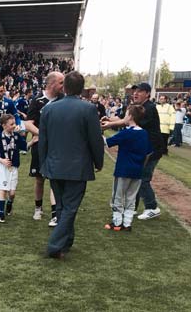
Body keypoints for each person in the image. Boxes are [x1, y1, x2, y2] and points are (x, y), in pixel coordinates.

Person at [39, 71, 104, 259]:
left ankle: (65, 242)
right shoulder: (88, 109)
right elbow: (95, 140)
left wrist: (44, 164)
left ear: (65, 87)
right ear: (82, 89)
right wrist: (98, 161)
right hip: (77, 167)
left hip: (54, 165)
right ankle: (54, 245)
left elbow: (43, 140)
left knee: (61, 206)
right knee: (69, 208)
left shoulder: (49, 109)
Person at [102, 82, 164, 220]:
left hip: (151, 149)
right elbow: (125, 119)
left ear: (147, 94)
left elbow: (127, 121)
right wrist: (109, 119)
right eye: (134, 91)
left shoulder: (149, 107)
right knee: (137, 176)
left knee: (143, 178)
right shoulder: (138, 107)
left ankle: (152, 207)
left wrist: (110, 124)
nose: (135, 93)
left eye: (140, 91)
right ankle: (133, 207)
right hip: (143, 149)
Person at [103, 105, 153, 231]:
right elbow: (148, 153)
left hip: (123, 170)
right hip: (137, 171)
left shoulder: (126, 133)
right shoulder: (144, 133)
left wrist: (97, 132)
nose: (124, 117)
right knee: (131, 198)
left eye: (125, 114)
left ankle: (117, 222)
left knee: (117, 197)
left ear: (130, 116)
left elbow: (107, 142)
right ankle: (127, 223)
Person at [24, 71, 64, 226]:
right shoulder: (37, 100)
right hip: (40, 146)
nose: (63, 86)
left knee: (55, 179)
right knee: (39, 179)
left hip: (57, 147)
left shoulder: (63, 100)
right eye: (61, 82)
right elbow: (28, 124)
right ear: (51, 84)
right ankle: (38, 208)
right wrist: (42, 135)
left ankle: (55, 213)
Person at [0, 114, 27, 223]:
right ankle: (1, 213)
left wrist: (31, 140)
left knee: (12, 193)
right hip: (2, 167)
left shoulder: (16, 136)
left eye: (14, 123)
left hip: (14, 167)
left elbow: (24, 147)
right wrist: (1, 160)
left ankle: (10, 203)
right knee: (3, 190)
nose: (14, 126)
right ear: (4, 126)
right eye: (12, 124)